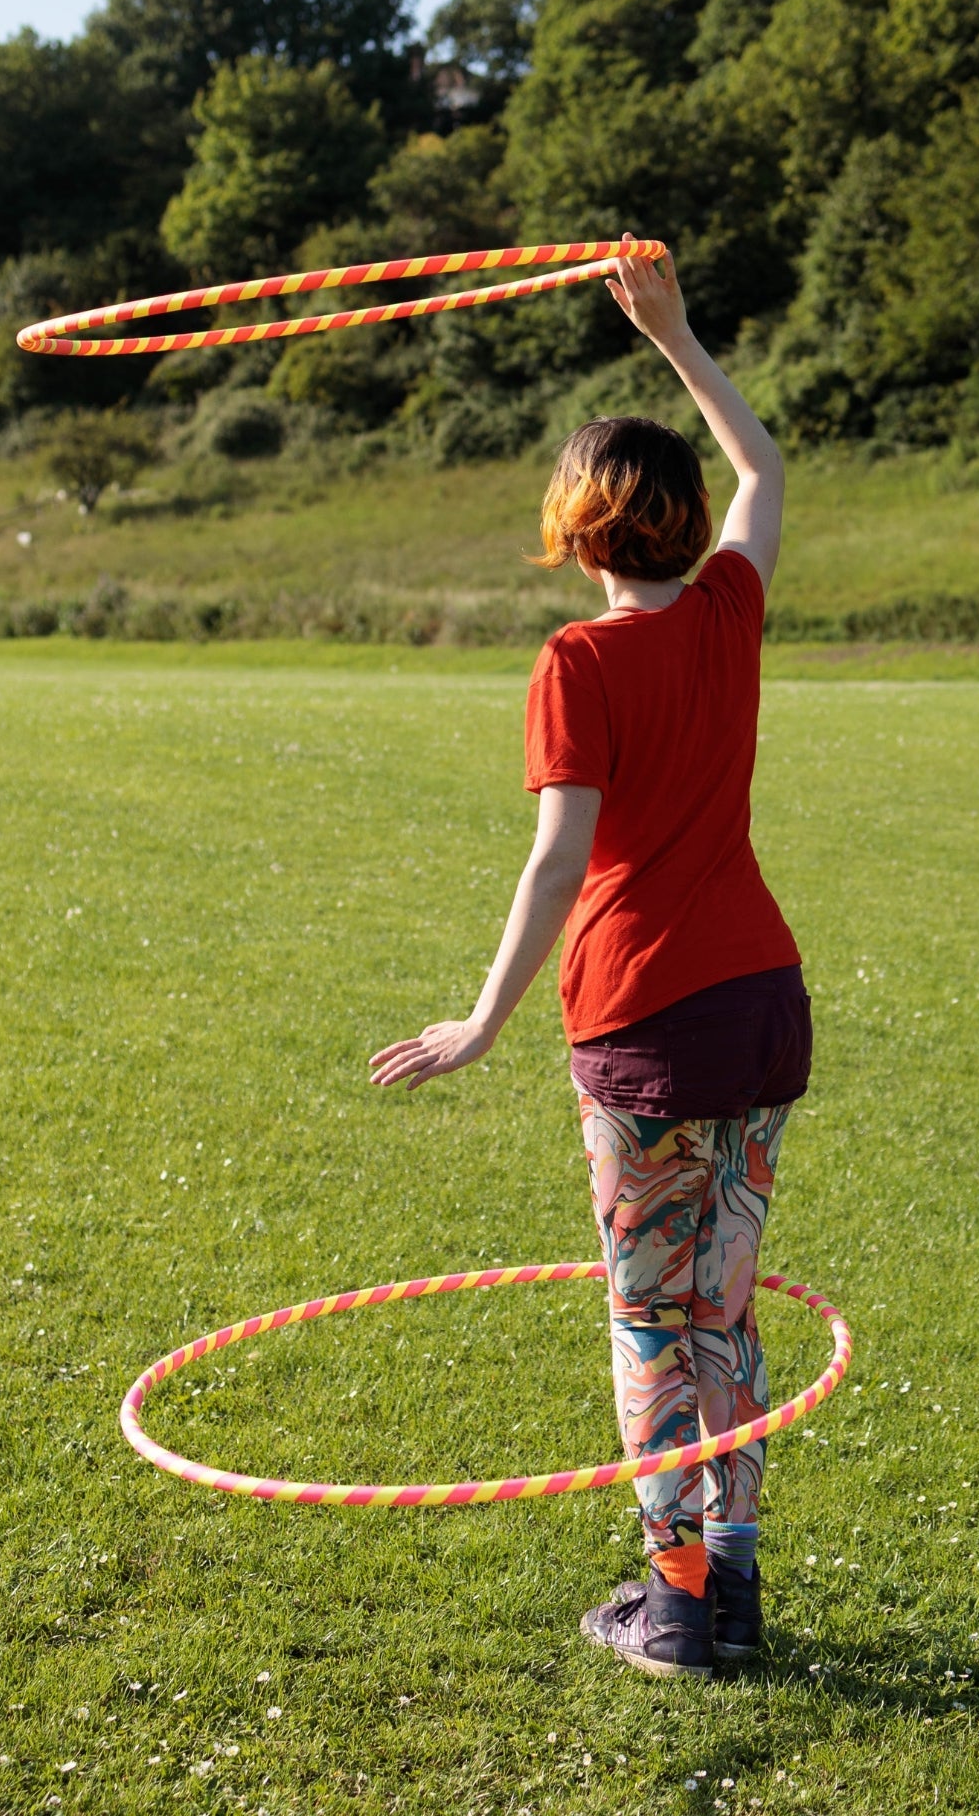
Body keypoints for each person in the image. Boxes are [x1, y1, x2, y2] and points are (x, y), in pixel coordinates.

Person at [369, 237, 809, 1679]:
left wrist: (486, 1020)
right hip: (759, 1010)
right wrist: (676, 339)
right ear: (681, 524)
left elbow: (560, 858)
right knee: (723, 1311)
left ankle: (678, 1605)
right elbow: (765, 470)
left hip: (646, 1025)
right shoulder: (732, 616)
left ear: (577, 533)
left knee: (646, 1317)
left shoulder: (581, 662)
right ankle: (729, 1586)